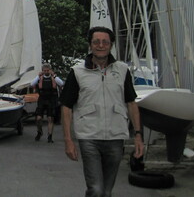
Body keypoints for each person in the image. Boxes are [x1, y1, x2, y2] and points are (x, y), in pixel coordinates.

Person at [61, 26, 144, 197]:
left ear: (111, 45)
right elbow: (66, 107)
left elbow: (131, 103)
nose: (101, 45)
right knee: (96, 189)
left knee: (106, 191)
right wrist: (68, 140)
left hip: (115, 136)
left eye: (105, 42)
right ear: (90, 45)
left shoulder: (122, 70)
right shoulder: (77, 72)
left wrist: (138, 135)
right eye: (96, 42)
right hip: (89, 137)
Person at [31, 63, 64, 143]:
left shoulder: (54, 77)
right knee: (38, 118)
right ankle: (39, 132)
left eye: (47, 70)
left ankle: (50, 136)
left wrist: (54, 76)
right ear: (42, 71)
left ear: (50, 70)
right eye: (44, 70)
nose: (46, 72)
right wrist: (38, 76)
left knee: (50, 118)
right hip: (42, 99)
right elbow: (32, 84)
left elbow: (61, 83)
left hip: (51, 99)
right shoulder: (40, 78)